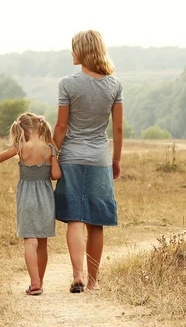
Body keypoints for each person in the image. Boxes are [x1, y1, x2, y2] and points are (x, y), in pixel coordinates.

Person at [53, 30, 123, 293]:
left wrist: (52, 154)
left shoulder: (68, 84)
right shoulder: (114, 85)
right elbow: (117, 129)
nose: (71, 53)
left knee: (75, 218)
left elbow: (61, 126)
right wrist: (115, 160)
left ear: (81, 51)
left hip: (70, 156)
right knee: (96, 222)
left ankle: (77, 275)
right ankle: (93, 282)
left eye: (74, 48)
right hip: (100, 159)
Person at [0, 113, 61, 296]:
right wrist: (52, 160)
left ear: (22, 129)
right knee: (42, 241)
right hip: (46, 197)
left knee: (30, 240)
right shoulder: (50, 148)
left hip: (26, 197)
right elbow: (56, 175)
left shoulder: (20, 147)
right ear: (40, 127)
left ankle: (34, 283)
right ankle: (39, 282)